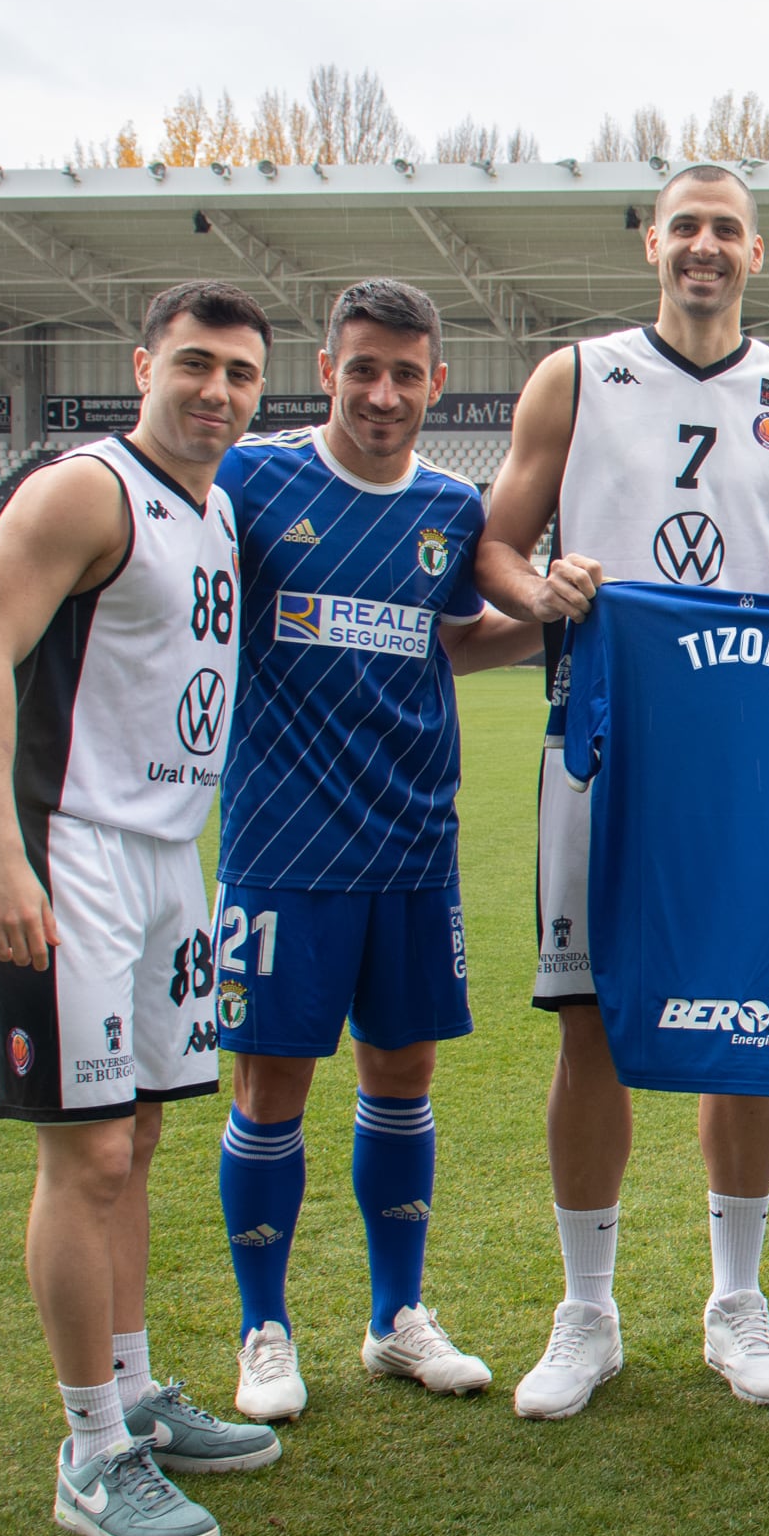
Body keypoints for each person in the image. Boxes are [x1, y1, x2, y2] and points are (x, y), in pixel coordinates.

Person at [474, 163, 769, 1414]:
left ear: (756, 254)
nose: (704, 249)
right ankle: (587, 1314)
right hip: (606, 741)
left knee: (753, 1012)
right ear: (651, 246)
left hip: (751, 758)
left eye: (726, 230)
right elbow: (493, 547)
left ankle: (736, 1304)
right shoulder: (575, 375)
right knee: (591, 1024)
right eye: (685, 228)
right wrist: (539, 590)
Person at [0, 280, 279, 1536]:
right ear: (143, 364)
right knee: (82, 1156)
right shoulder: (84, 489)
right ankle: (89, 1448)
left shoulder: (221, 514)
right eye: (195, 364)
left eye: (242, 375)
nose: (216, 392)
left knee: (136, 1138)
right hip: (65, 847)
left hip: (164, 857)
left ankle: (132, 1388)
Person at [210, 278, 542, 1421]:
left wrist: (564, 616)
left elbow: (454, 642)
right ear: (326, 370)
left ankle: (395, 1317)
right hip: (280, 846)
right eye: (364, 369)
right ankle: (264, 1327)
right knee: (271, 1085)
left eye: (406, 373)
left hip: (411, 843)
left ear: (437, 382)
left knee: (403, 1075)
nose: (384, 392)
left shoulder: (452, 508)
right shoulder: (253, 481)